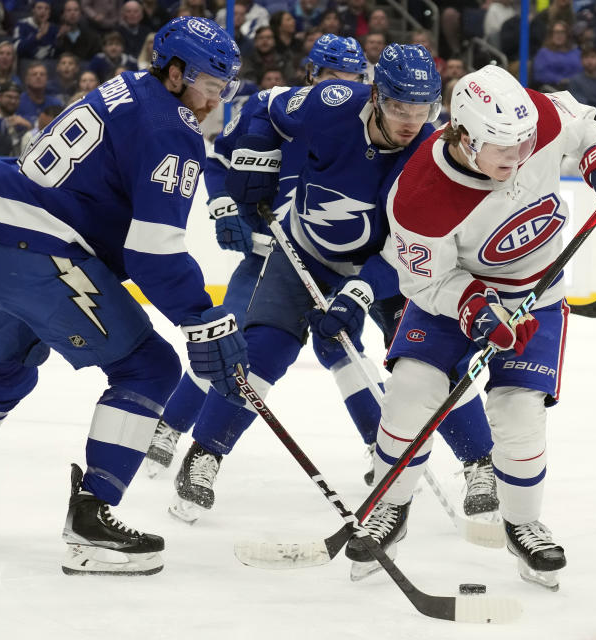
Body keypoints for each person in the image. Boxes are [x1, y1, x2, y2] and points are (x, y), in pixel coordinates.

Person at [0, 16, 245, 578]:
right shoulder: (170, 127)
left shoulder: (126, 86)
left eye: (223, 89)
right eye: (209, 84)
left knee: (4, 371)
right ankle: (93, 519)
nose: (214, 99)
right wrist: (202, 319)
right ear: (176, 73)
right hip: (38, 252)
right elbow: (153, 253)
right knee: (149, 368)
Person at [147, 37, 498, 526]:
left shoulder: (431, 155)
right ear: (376, 95)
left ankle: (480, 463)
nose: (410, 121)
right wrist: (256, 155)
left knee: (434, 359)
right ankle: (204, 454)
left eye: (423, 109)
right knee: (263, 348)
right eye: (399, 106)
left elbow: (412, 247)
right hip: (304, 251)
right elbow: (267, 107)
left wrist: (360, 292)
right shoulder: (332, 102)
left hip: (388, 268)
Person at [353, 64, 596, 590]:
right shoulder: (419, 195)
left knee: (520, 414)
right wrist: (474, 308)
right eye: (502, 150)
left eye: (525, 145)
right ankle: (388, 508)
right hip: (453, 298)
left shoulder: (529, 120)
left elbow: (577, 125)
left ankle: (523, 524)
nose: (519, 158)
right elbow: (424, 283)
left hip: (537, 298)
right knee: (411, 392)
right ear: (463, 137)